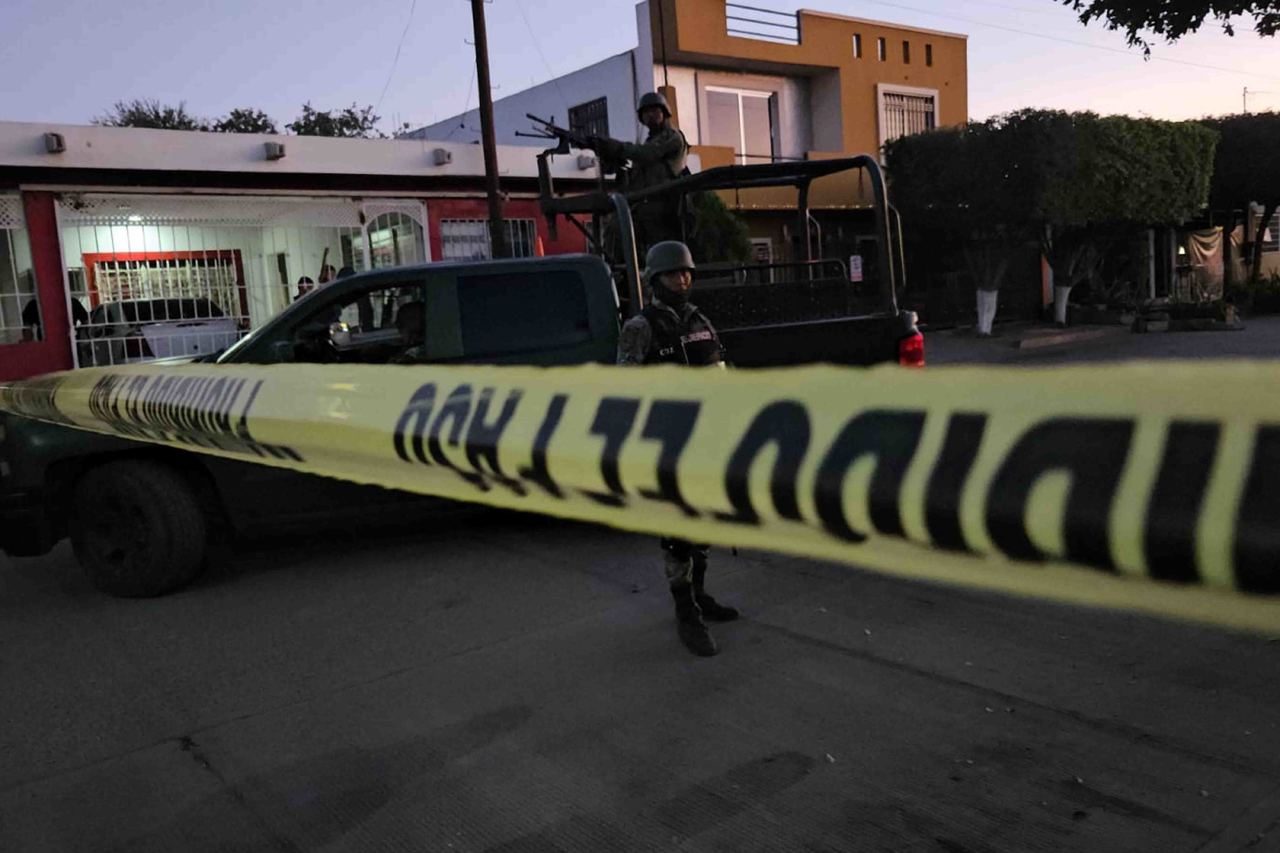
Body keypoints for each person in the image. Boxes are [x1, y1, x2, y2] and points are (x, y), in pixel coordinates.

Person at [618, 240, 737, 657]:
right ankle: (686, 612)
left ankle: (699, 595)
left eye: (686, 273)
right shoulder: (641, 327)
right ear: (655, 280)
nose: (682, 280)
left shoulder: (700, 320)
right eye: (672, 274)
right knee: (677, 536)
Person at [589, 92, 689, 250]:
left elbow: (647, 153)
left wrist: (617, 147)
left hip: (664, 206)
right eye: (646, 112)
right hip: (643, 204)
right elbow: (636, 171)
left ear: (664, 112)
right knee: (615, 232)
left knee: (661, 249)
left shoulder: (672, 136)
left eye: (654, 110)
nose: (650, 115)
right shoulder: (649, 142)